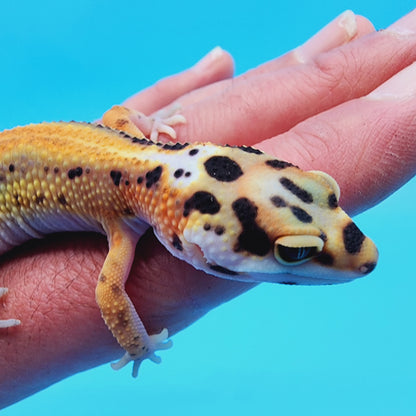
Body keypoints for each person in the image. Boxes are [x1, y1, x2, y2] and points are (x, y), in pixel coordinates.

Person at [1, 9, 415, 409]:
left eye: (323, 190)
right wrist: (137, 345)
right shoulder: (125, 216)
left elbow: (116, 116)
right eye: (293, 251)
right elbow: (108, 294)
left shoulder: (130, 171)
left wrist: (149, 121)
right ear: (192, 242)